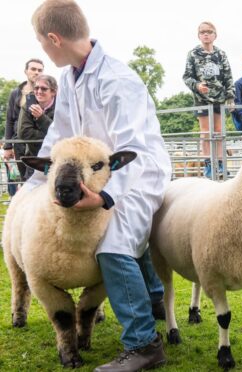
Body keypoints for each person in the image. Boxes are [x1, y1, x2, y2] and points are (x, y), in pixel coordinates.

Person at [30, 1, 172, 370]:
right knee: (118, 236)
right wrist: (34, 183)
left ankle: (143, 344)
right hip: (95, 173)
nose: (43, 51)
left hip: (137, 175)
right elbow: (59, 136)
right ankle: (154, 296)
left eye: (42, 44)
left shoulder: (117, 80)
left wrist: (106, 196)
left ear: (53, 38)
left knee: (112, 244)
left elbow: (134, 151)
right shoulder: (70, 78)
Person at [183, 21, 234, 178]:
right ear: (199, 35)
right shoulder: (193, 54)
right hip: (202, 99)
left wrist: (230, 97)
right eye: (203, 32)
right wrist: (197, 85)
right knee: (205, 133)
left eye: (209, 31)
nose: (206, 34)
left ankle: (220, 164)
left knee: (218, 132)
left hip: (219, 98)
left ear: (215, 35)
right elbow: (186, 76)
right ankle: (208, 165)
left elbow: (228, 77)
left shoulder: (221, 54)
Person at [3, 58, 44, 193]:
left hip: (38, 141)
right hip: (18, 141)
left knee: (38, 177)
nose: (36, 72)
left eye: (40, 70)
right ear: (26, 71)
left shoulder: (45, 92)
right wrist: (8, 145)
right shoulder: (16, 93)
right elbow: (9, 119)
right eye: (33, 69)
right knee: (23, 178)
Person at [17, 74, 57, 180]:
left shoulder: (61, 107)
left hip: (54, 159)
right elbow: (23, 133)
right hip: (34, 157)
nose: (39, 91)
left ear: (53, 92)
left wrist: (41, 118)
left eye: (44, 88)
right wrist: (48, 135)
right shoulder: (27, 106)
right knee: (31, 191)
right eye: (36, 88)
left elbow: (59, 133)